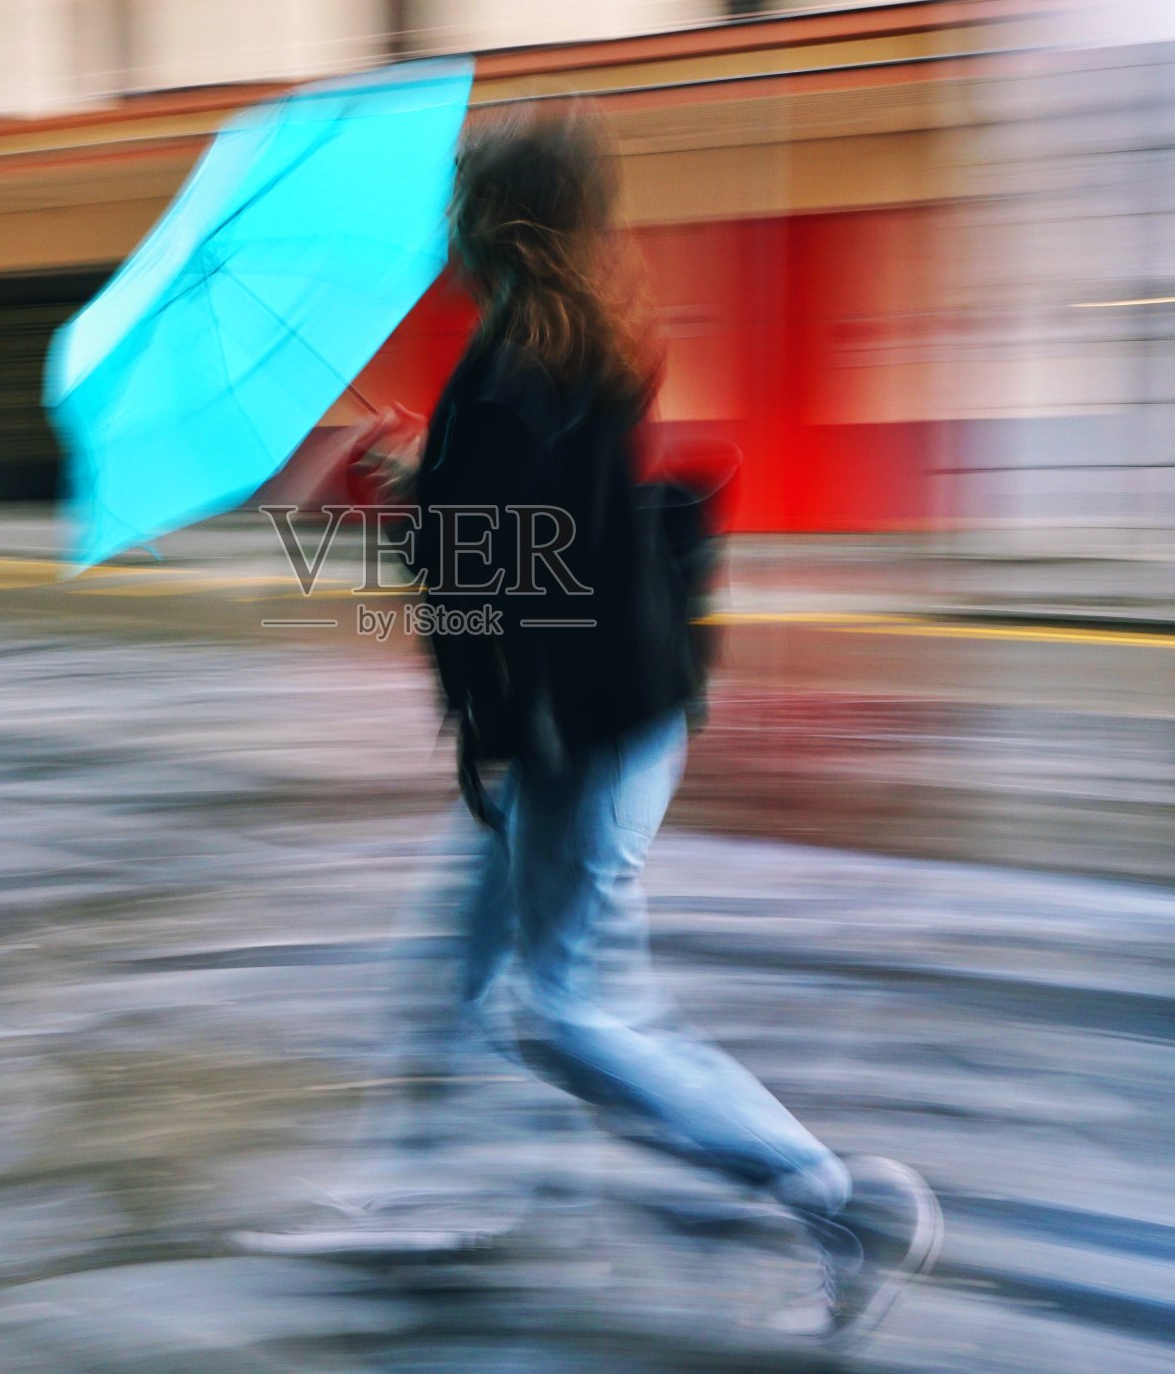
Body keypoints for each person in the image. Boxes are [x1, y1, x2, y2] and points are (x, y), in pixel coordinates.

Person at [242, 112, 940, 1345]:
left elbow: (505, 586)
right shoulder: (567, 342)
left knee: (572, 1010)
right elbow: (544, 542)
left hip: (577, 735)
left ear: (496, 224)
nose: (444, 233)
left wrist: (412, 498)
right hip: (590, 719)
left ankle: (830, 1199)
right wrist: (435, 482)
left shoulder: (520, 371)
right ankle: (411, 1200)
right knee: (452, 977)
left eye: (459, 210)